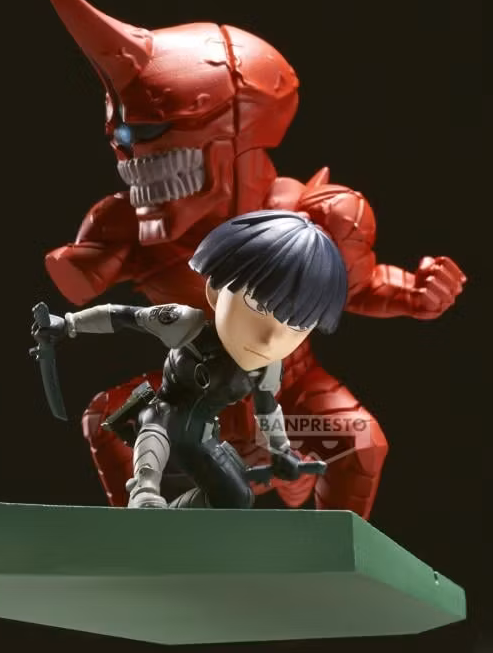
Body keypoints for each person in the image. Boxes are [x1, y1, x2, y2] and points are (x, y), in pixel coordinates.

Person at [32, 210, 347, 508]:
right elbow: (123, 316)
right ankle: (144, 490)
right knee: (159, 419)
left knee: (237, 499)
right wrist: (68, 324)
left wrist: (281, 451)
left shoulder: (267, 368)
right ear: (216, 291)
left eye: (297, 324)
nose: (269, 338)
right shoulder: (187, 325)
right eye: (258, 305)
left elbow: (267, 409)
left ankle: (173, 521)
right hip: (159, 418)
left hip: (202, 437)